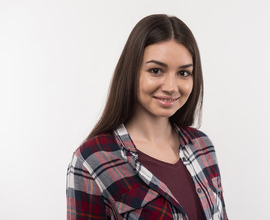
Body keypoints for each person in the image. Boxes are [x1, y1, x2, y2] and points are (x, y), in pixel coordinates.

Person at [66, 14, 227, 220]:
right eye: (156, 70)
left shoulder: (202, 146)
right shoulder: (93, 159)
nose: (171, 87)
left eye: (184, 73)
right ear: (132, 72)